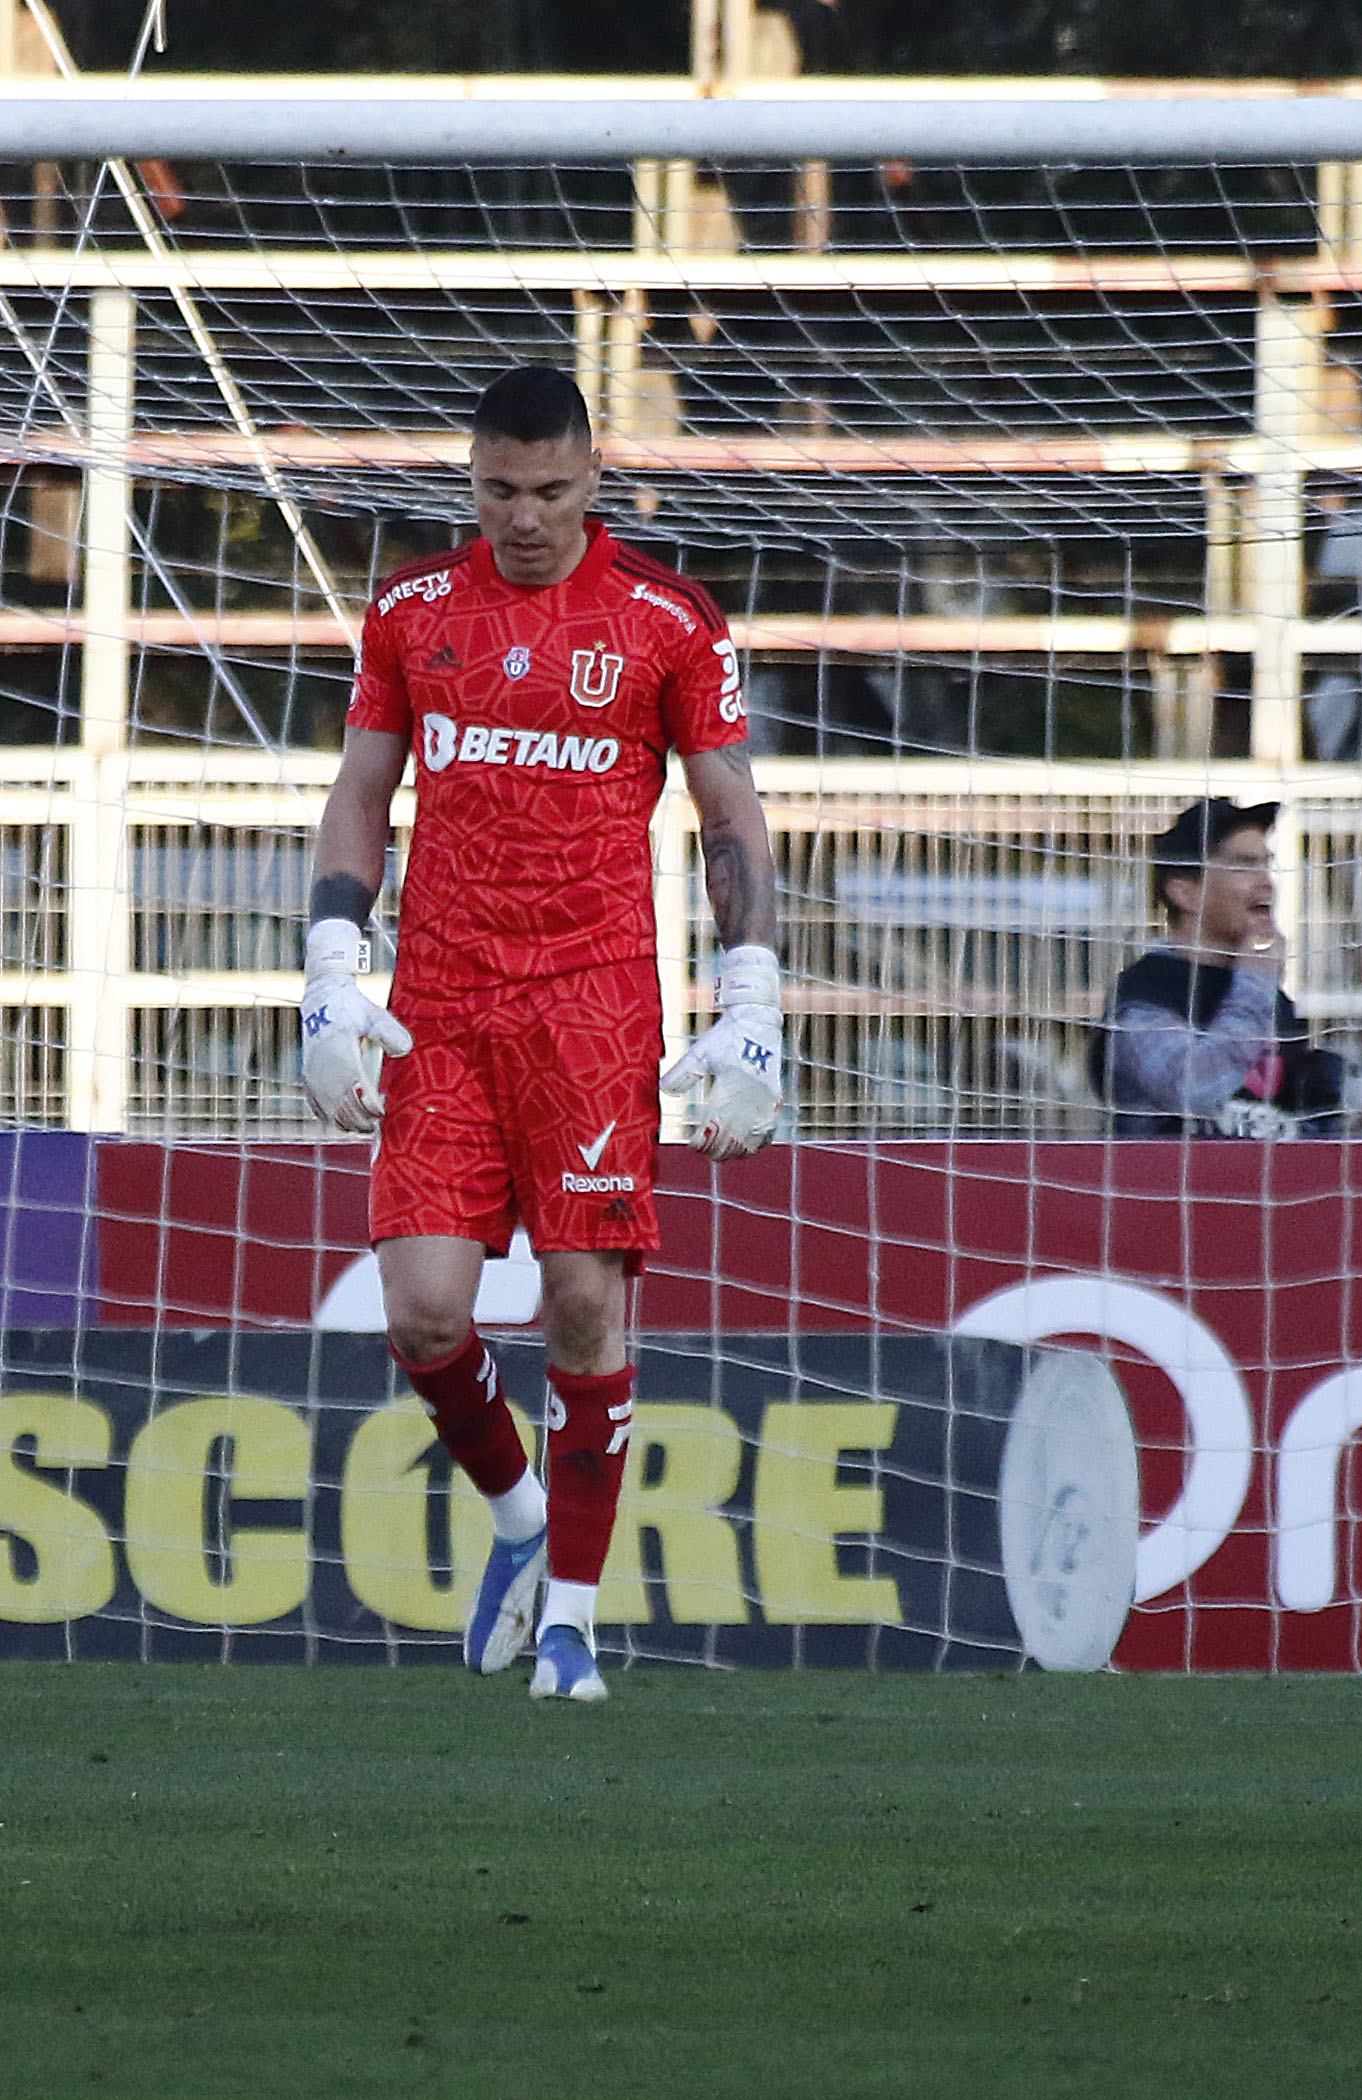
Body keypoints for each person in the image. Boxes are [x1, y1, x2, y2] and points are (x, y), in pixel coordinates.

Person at [303, 364, 782, 1704]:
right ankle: (519, 1520)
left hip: (590, 1004)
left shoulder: (664, 619)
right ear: (471, 479)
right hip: (442, 1006)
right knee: (424, 1314)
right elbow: (361, 790)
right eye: (500, 490)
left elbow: (727, 814)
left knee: (582, 1304)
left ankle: (571, 1619)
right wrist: (334, 966)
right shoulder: (411, 609)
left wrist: (752, 996)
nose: (524, 516)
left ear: (594, 479)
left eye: (552, 490)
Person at [1097, 795, 1348, 1138]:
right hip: (1173, 1188)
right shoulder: (1144, 995)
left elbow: (1305, 1092)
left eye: (1267, 864)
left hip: (1268, 1189)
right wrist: (1255, 982)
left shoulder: (1265, 995)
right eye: (1245, 865)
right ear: (1185, 894)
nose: (1266, 882)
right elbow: (1196, 1089)